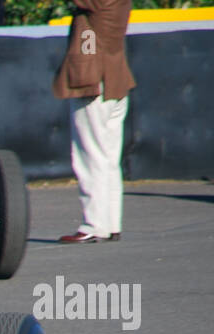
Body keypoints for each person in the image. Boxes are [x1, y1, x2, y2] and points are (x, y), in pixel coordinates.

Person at [53, 0, 135, 243]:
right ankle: (110, 223)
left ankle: (94, 225)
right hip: (116, 80)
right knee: (108, 158)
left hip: (94, 82)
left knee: (90, 157)